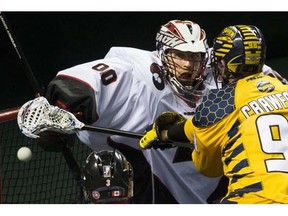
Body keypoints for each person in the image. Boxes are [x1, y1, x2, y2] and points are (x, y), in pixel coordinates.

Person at [38, 20, 275, 204]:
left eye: (195, 57)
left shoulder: (224, 67)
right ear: (162, 54)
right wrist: (60, 112)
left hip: (225, 188)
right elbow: (80, 85)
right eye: (180, 55)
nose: (188, 65)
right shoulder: (138, 71)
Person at [139, 24, 288, 204]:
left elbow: (210, 169)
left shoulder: (219, 103)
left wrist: (165, 135)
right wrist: (168, 133)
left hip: (253, 198)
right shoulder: (283, 88)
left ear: (224, 64)